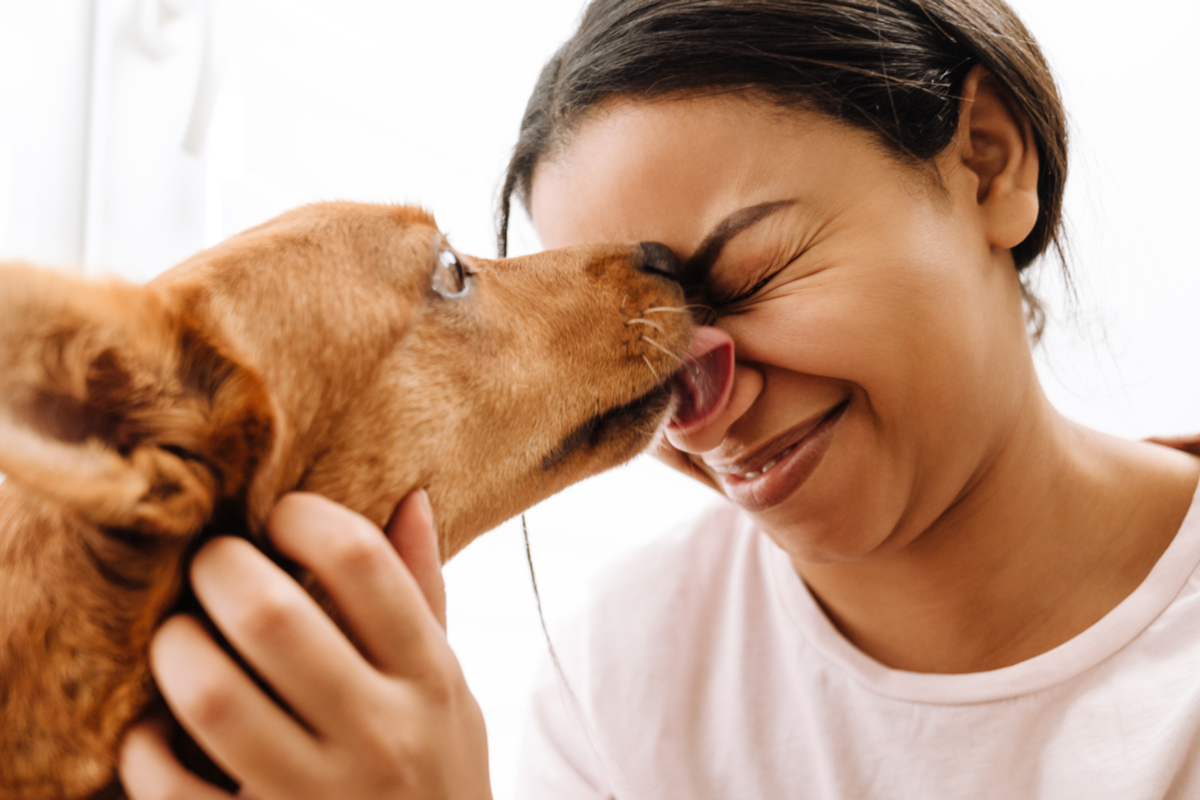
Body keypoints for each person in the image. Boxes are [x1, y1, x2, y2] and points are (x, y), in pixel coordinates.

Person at [119, 1, 1200, 798]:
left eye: (753, 272)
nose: (702, 410)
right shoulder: (620, 681)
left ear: (987, 160)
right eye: (649, 363)